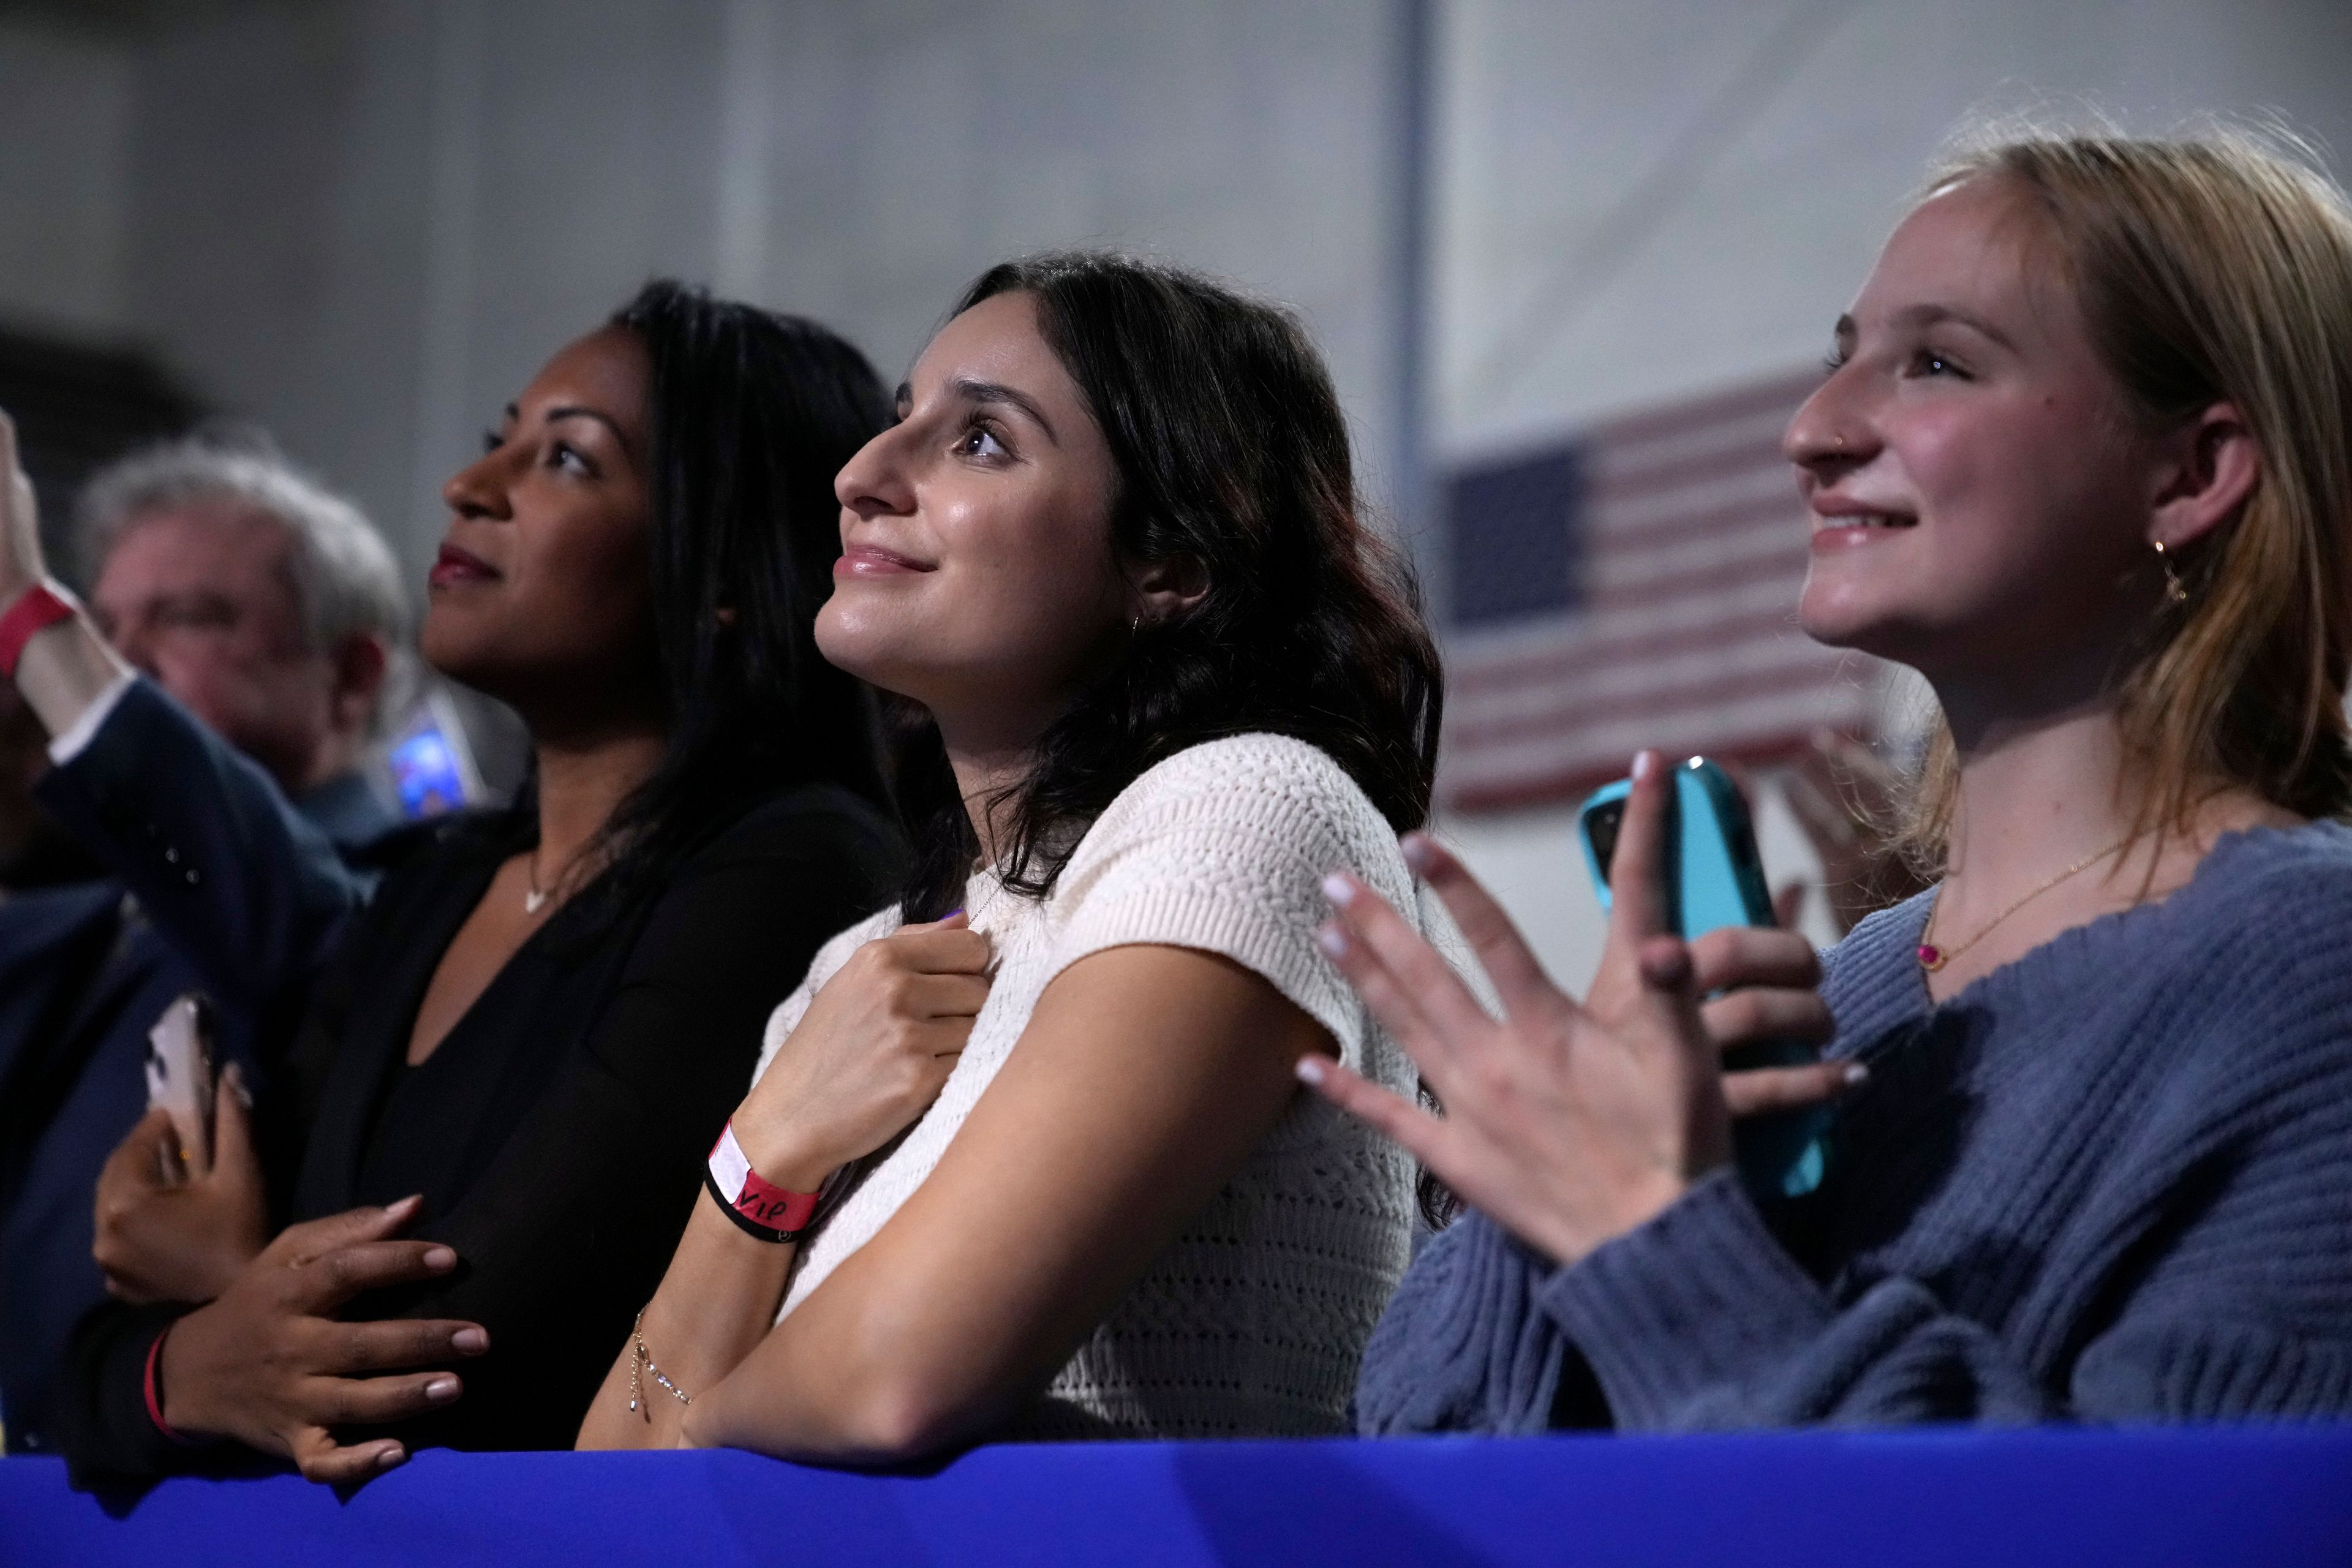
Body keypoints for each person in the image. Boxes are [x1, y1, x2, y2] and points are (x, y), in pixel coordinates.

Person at [578, 252, 1822, 1462]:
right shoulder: (852, 970)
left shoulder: (1247, 808)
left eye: (980, 441)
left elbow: (891, 1377)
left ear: (1170, 562)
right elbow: (608, 1478)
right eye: (899, 421)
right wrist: (769, 1150)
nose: (860, 475)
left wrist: (704, 1421)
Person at [1308, 127, 2352, 1432]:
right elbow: (1428, 1440)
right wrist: (1568, 1174)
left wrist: (1648, 1236)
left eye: (1934, 362)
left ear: (2193, 472)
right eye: (1838, 358)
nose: (1813, 433)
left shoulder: (2311, 975)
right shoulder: (1855, 983)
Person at [17, 282, 906, 1486]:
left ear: (721, 566)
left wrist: (227, 1299)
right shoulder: (437, 885)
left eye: (570, 462)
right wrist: (193, 1362)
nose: (470, 485)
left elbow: (478, 1359)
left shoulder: (791, 869)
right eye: (500, 436)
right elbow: (82, 1379)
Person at [0, 434, 406, 1455]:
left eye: (184, 617)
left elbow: (289, 912)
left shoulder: (408, 903)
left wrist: (27, 613)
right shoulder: (81, 914)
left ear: (350, 676)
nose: (120, 657)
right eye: (104, 623)